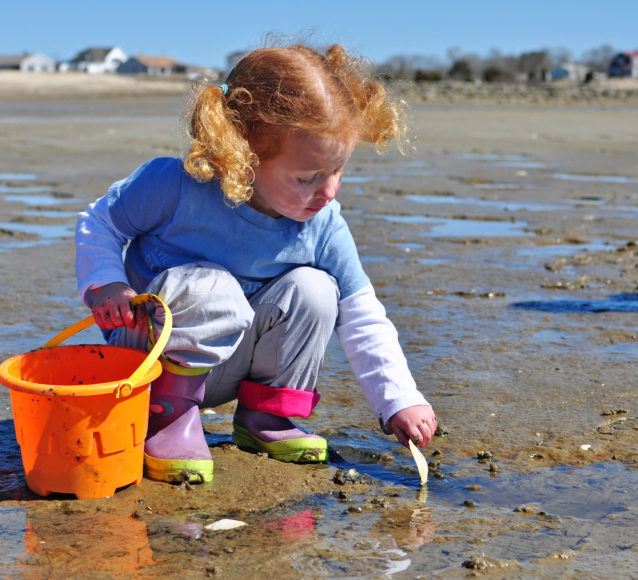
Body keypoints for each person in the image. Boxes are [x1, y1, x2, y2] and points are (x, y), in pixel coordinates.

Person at [74, 43, 438, 485]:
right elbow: (101, 222)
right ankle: (166, 418)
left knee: (317, 290)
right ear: (242, 154)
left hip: (234, 367)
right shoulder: (175, 186)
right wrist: (106, 283)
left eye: (338, 170)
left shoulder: (322, 225)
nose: (329, 191)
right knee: (211, 285)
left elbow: (362, 314)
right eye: (307, 178)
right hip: (150, 357)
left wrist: (399, 399)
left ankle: (267, 418)